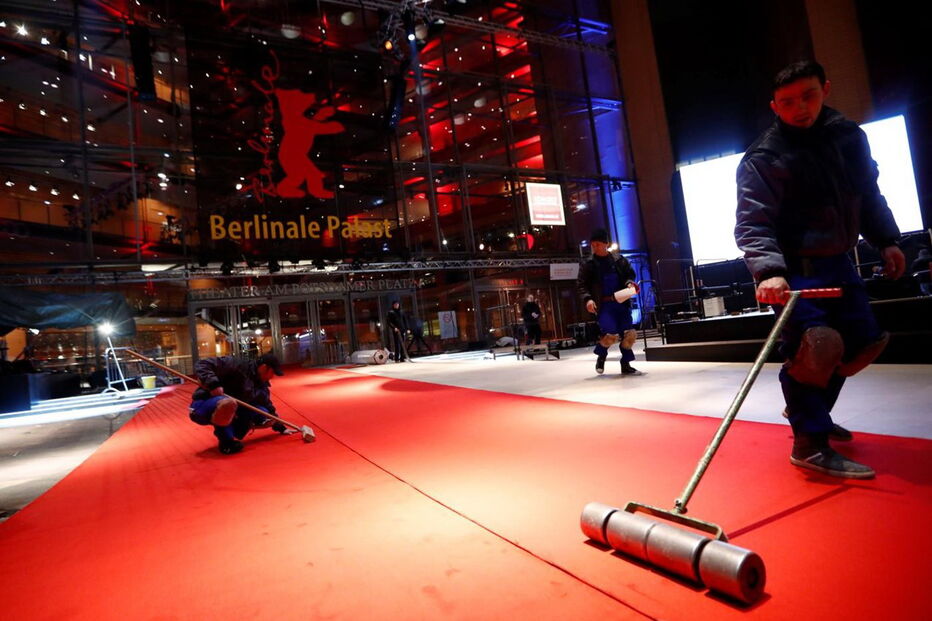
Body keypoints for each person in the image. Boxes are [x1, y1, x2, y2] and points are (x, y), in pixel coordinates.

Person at [735, 60, 905, 479]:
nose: (799, 107)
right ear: (774, 106)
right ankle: (809, 444)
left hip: (840, 262)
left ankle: (809, 412)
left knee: (861, 344)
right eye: (787, 102)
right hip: (794, 271)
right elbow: (752, 220)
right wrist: (768, 271)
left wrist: (887, 240)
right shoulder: (764, 156)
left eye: (808, 95)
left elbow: (867, 194)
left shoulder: (848, 138)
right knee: (818, 346)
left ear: (825, 89)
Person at [188, 353, 288, 455]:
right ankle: (226, 442)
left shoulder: (261, 386)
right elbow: (202, 364)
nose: (272, 377)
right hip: (204, 404)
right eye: (272, 373)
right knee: (228, 404)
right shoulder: (237, 365)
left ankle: (237, 428)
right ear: (264, 367)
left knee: (264, 412)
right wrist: (213, 384)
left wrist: (281, 427)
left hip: (233, 408)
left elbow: (268, 406)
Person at [576, 227, 642, 375]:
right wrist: (588, 300)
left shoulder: (619, 260)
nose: (594, 247)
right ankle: (601, 355)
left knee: (630, 334)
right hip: (604, 305)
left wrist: (629, 283)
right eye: (592, 245)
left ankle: (625, 363)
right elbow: (581, 285)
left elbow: (629, 275)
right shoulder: (588, 264)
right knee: (611, 335)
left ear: (605, 244)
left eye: (597, 244)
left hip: (621, 303)